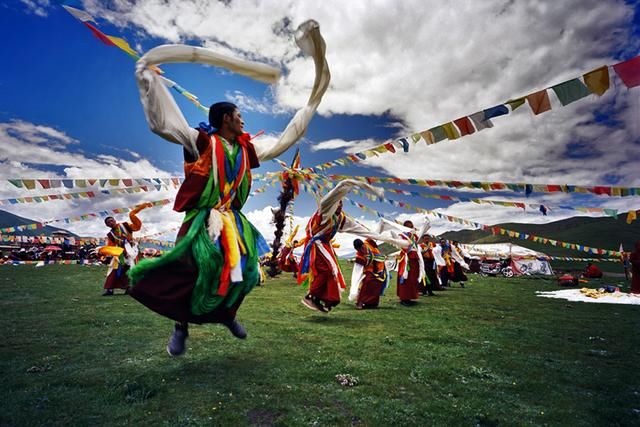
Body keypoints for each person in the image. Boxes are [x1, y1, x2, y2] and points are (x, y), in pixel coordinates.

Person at [127, 20, 330, 356]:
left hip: (234, 223)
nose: (243, 120)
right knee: (192, 270)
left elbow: (283, 141)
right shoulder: (201, 142)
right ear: (224, 119)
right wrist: (148, 79)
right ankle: (180, 328)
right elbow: (165, 123)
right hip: (201, 221)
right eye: (238, 115)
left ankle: (227, 315)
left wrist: (309, 107)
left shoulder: (247, 150)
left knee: (247, 270)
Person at [298, 180, 402, 313]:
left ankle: (330, 300)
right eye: (338, 202)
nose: (340, 205)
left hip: (325, 246)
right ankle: (311, 296)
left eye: (342, 203)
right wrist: (347, 184)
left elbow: (360, 229)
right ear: (333, 203)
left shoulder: (340, 218)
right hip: (315, 245)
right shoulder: (324, 213)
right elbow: (333, 195)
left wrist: (383, 238)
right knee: (326, 270)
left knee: (332, 273)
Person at [100, 202, 152, 296]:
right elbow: (111, 246)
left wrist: (133, 214)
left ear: (115, 220)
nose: (111, 223)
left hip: (132, 251)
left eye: (111, 220)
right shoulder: (110, 235)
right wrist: (106, 253)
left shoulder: (125, 225)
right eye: (108, 222)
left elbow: (137, 227)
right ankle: (110, 290)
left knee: (132, 269)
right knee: (113, 270)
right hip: (120, 253)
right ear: (107, 225)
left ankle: (130, 288)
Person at [349, 238, 389, 309]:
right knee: (367, 282)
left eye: (361, 248)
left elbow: (372, 240)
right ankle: (360, 302)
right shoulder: (359, 254)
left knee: (377, 284)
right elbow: (361, 264)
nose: (361, 250)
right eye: (358, 250)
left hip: (379, 266)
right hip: (369, 269)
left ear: (363, 245)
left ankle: (372, 303)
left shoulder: (368, 243)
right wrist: (355, 260)